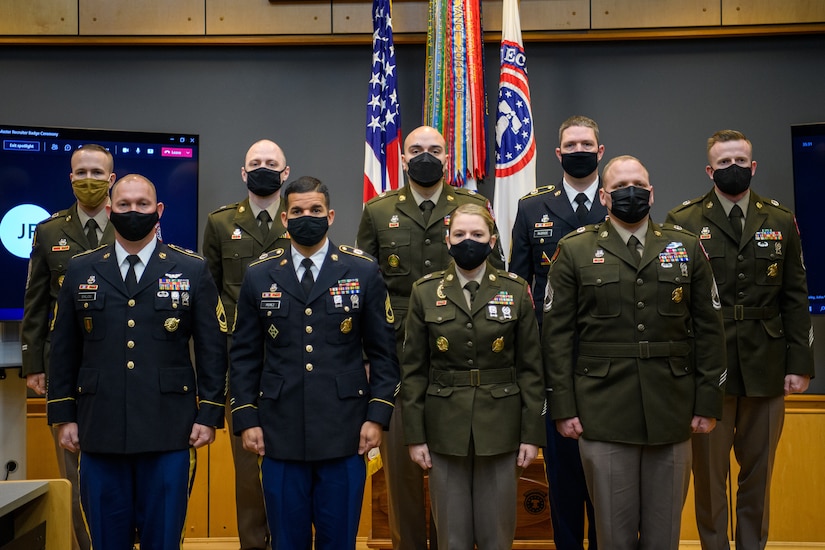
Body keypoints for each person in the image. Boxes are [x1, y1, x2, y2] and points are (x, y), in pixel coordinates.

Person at [543, 155, 726, 550]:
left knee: (664, 537)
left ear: (652, 193)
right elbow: (556, 336)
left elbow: (710, 330)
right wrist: (563, 406)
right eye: (622, 187)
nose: (632, 193)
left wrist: (708, 401)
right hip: (602, 411)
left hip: (672, 410)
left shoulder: (686, 248)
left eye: (639, 186)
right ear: (605, 197)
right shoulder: (574, 250)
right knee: (613, 536)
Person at [47, 174, 227, 549]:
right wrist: (63, 414)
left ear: (158, 210)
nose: (134, 211)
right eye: (125, 205)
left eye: (142, 204)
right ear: (110, 211)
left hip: (169, 430)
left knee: (163, 540)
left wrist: (209, 413)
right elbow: (63, 347)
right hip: (99, 430)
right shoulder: (81, 269)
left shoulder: (190, 269)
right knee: (106, 540)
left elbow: (212, 348)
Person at [230, 176, 399, 550]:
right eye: (298, 211)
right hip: (278, 431)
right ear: (285, 220)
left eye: (316, 210)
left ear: (331, 215)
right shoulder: (260, 274)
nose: (308, 217)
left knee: (338, 541)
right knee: (285, 542)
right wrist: (246, 418)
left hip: (345, 430)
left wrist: (376, 416)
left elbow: (384, 353)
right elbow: (243, 355)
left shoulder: (362, 270)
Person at [356, 125, 504, 550]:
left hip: (460, 356)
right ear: (402, 159)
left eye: (434, 149)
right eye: (415, 150)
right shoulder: (379, 210)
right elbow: (363, 290)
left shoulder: (472, 208)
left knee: (450, 468)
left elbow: (497, 280)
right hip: (396, 357)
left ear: (447, 157)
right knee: (402, 468)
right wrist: (366, 355)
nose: (425, 156)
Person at [666, 130, 815, 550]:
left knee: (758, 475)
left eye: (741, 160)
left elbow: (795, 294)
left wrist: (799, 362)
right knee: (710, 481)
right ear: (710, 170)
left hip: (766, 364)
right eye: (724, 162)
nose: (734, 167)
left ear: (754, 166)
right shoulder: (684, 221)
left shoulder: (780, 219)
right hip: (706, 369)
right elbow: (676, 301)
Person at [401, 203, 546, 549]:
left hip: (502, 429)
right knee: (451, 536)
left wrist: (531, 436)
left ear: (492, 240)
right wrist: (415, 436)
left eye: (478, 234)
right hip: (444, 430)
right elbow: (413, 371)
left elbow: (531, 370)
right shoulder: (425, 291)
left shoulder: (514, 290)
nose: (469, 241)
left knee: (497, 535)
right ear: (447, 241)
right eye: (461, 234)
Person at [509, 115, 605, 550]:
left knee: (608, 470)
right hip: (553, 355)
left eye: (587, 143)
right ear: (558, 152)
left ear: (600, 152)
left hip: (609, 352)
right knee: (563, 469)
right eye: (571, 144)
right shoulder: (532, 207)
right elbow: (517, 282)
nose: (579, 150)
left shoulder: (618, 200)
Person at [21, 143, 117, 550]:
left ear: (111, 179)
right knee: (74, 468)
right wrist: (33, 365)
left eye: (98, 173)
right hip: (64, 369)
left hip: (116, 362)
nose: (89, 180)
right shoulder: (49, 230)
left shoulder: (131, 223)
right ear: (71, 177)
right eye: (82, 172)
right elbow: (35, 301)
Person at [203, 138, 291, 550]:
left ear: (285, 172)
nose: (262, 168)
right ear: (243, 173)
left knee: (292, 469)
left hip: (291, 363)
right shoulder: (221, 223)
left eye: (271, 163)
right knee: (246, 472)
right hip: (240, 365)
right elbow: (210, 300)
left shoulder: (300, 218)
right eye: (255, 163)